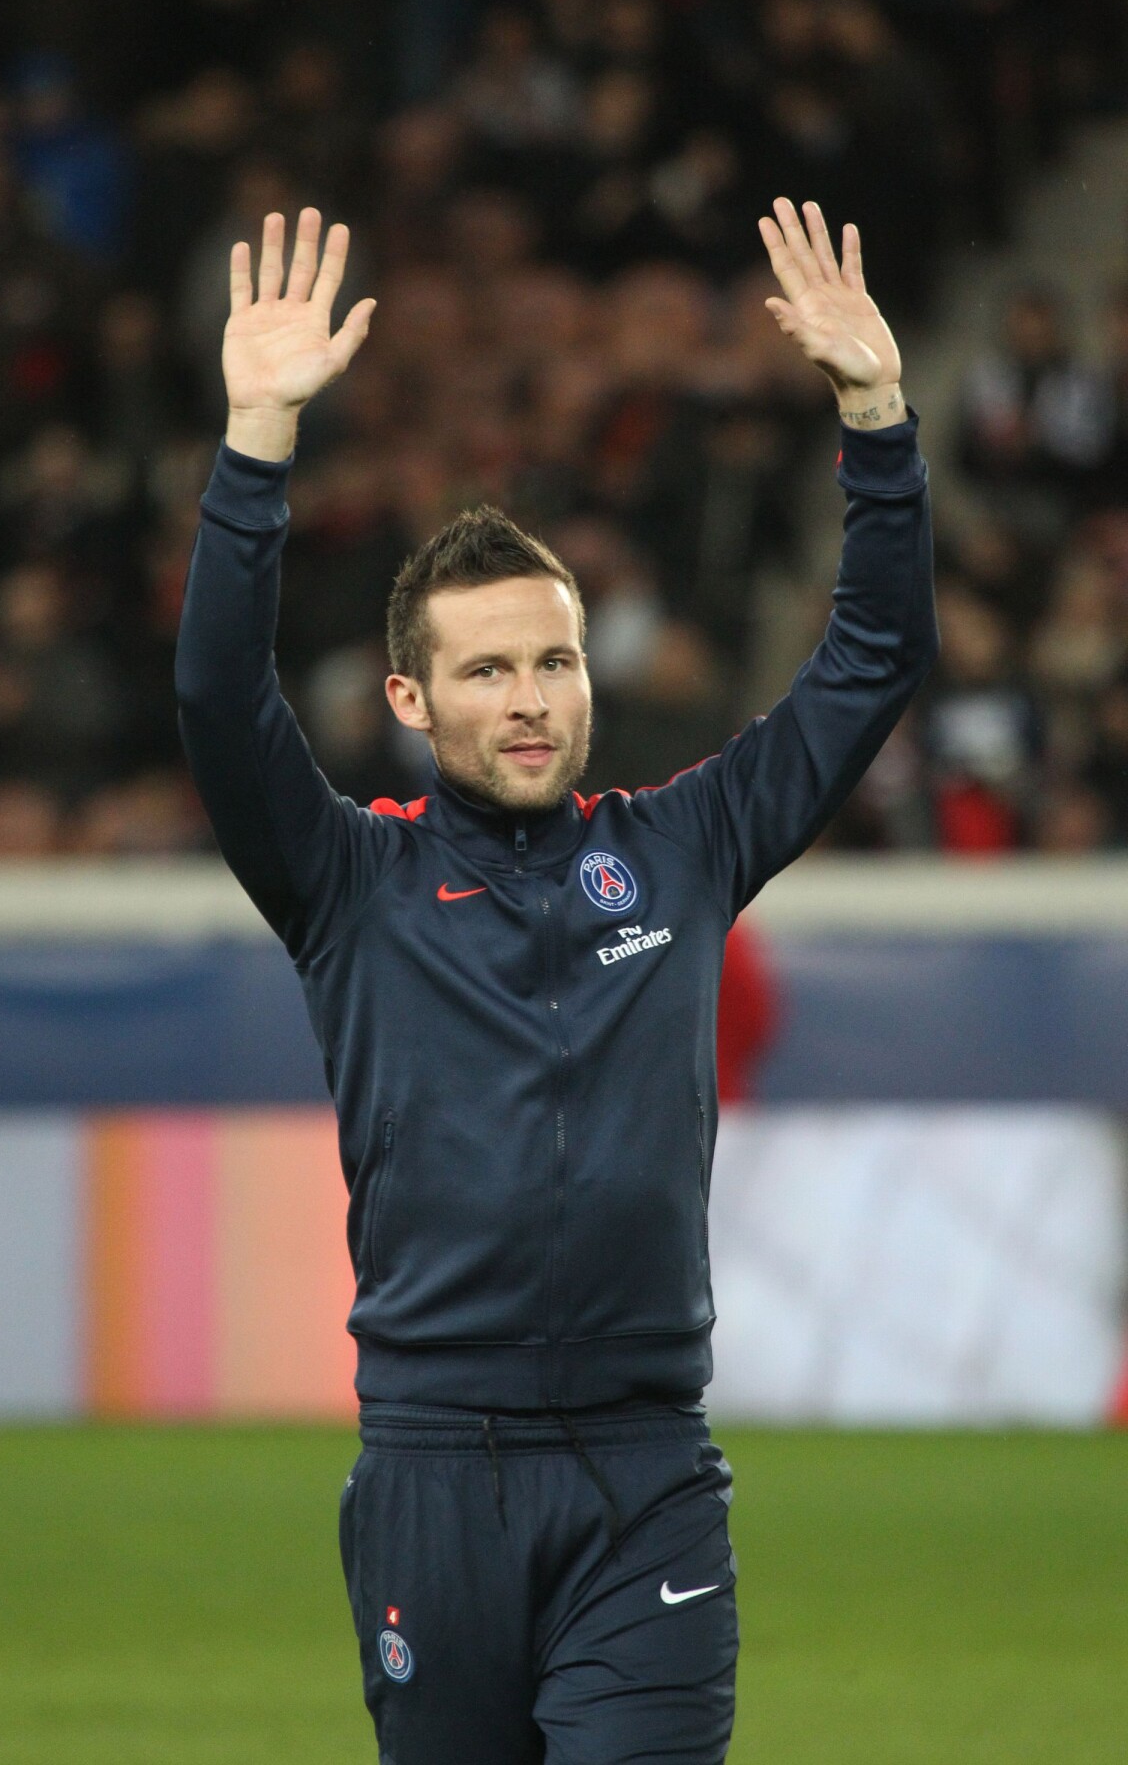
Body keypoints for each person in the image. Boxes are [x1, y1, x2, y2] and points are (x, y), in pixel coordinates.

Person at [175, 198, 936, 1764]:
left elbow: (871, 654)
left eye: (554, 661)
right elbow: (214, 695)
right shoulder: (347, 884)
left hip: (648, 1471)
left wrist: (875, 417)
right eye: (485, 668)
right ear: (408, 695)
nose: (528, 701)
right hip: (432, 1471)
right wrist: (256, 442)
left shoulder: (684, 843)